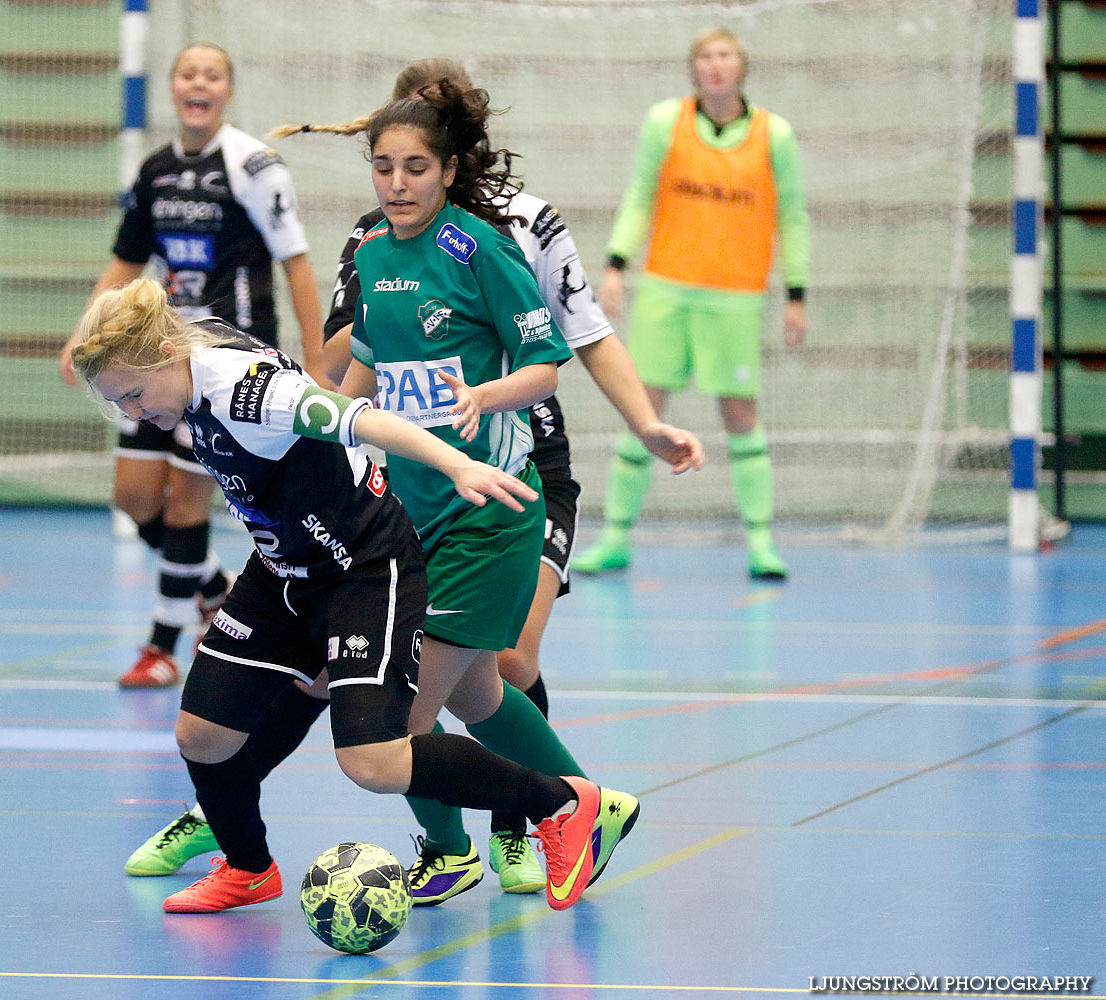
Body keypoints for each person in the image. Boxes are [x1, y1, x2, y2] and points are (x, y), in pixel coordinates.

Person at [124, 61, 689, 905]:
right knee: (478, 691)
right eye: (383, 164)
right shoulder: (375, 253)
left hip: (486, 505)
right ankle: (572, 812)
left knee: (398, 722)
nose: (396, 180)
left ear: (450, 157)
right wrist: (320, 438)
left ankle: (538, 819)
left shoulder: (487, 241)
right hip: (409, 507)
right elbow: (361, 377)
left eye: (414, 163)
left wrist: (491, 401)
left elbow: (551, 361)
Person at [72, 276, 618, 914]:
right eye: (120, 404)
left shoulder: (251, 393)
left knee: (373, 761)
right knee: (202, 734)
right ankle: (248, 868)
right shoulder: (183, 366)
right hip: (283, 568)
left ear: (165, 356)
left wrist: (455, 463)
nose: (135, 413)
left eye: (134, 395)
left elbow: (359, 417)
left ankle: (563, 806)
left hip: (365, 568)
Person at [58, 42, 328, 688]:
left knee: (185, 506)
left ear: (226, 91)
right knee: (134, 499)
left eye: (211, 74)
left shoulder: (253, 166)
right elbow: (126, 259)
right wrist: (81, 336)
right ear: (173, 89)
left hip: (215, 367)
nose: (198, 83)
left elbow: (295, 261)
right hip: (148, 359)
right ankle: (212, 588)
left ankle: (160, 648)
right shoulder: (154, 172)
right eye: (187, 73)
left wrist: (317, 360)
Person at [572, 27, 810, 580]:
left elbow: (792, 217)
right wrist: (615, 263)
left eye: (725, 55)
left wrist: (796, 294)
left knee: (740, 413)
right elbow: (639, 195)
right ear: (694, 68)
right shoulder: (665, 123)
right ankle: (615, 537)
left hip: (735, 297)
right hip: (665, 289)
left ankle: (761, 543)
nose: (716, 65)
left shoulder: (774, 135)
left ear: (742, 66)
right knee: (643, 410)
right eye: (705, 56)